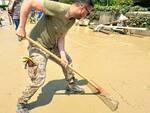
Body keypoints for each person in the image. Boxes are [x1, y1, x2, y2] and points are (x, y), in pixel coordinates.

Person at [16, 0, 93, 113]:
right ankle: (21, 103)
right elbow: (29, 2)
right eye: (88, 13)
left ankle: (72, 85)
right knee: (39, 78)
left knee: (68, 62)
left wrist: (62, 56)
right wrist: (21, 27)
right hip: (38, 46)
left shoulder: (71, 20)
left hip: (52, 46)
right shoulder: (58, 8)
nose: (87, 15)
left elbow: (61, 37)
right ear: (82, 8)